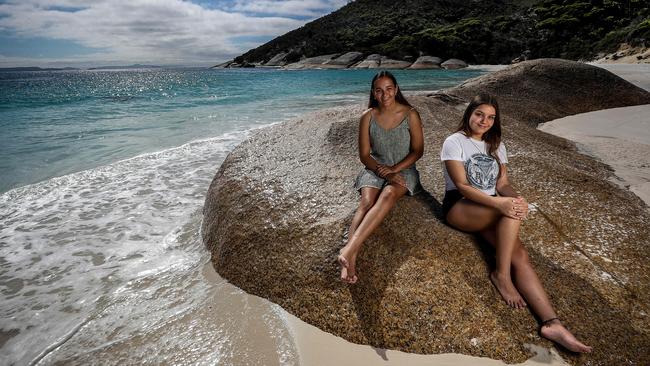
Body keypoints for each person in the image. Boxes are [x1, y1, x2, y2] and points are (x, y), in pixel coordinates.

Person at [440, 94, 592, 353]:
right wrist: (502, 204)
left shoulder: (496, 144)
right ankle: (501, 276)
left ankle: (551, 323)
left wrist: (515, 198)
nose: (484, 121)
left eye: (491, 117)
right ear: (469, 113)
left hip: (491, 207)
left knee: (520, 255)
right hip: (461, 207)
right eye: (479, 114)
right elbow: (463, 187)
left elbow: (501, 185)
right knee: (508, 212)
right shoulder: (455, 142)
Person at [338, 71, 424, 284]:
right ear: (373, 93)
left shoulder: (410, 114)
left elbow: (418, 151)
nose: (384, 94)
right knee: (366, 202)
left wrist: (394, 170)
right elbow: (364, 155)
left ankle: (347, 249)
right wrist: (382, 170)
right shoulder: (367, 116)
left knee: (387, 195)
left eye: (388, 89)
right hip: (374, 168)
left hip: (403, 169)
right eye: (379, 90)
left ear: (395, 89)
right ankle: (351, 258)